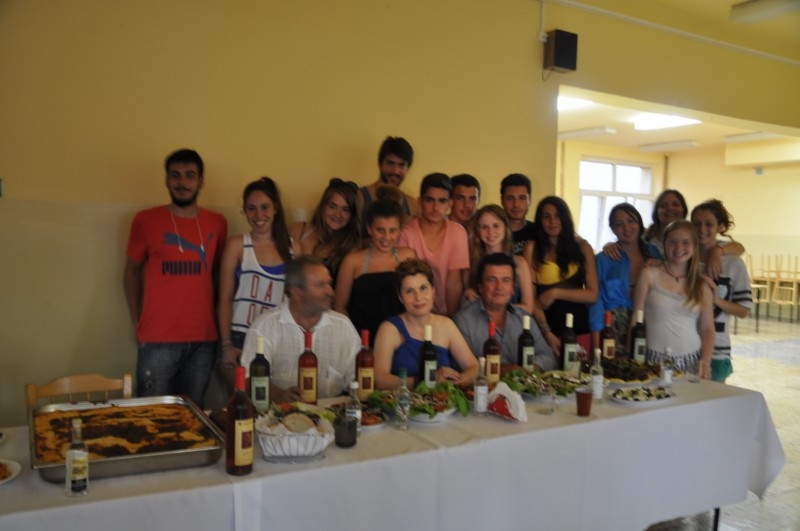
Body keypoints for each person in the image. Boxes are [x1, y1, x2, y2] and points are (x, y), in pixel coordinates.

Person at [123, 148, 228, 407]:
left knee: (193, 415)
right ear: (166, 180)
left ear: (201, 181)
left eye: (190, 175)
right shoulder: (145, 220)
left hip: (204, 340)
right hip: (158, 340)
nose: (182, 182)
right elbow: (131, 271)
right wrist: (137, 321)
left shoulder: (218, 223)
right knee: (152, 415)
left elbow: (217, 274)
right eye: (175, 175)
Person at [240, 256, 359, 402]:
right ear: (296, 292)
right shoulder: (266, 326)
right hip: (278, 413)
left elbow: (357, 378)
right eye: (320, 285)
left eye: (329, 283)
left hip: (332, 413)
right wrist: (278, 394)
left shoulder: (343, 327)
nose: (330, 292)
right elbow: (248, 379)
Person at [218, 177, 301, 372]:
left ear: (275, 208)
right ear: (245, 211)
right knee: (244, 391)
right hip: (241, 335)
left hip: (279, 335)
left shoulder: (294, 248)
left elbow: (298, 299)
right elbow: (224, 298)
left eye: (265, 207)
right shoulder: (237, 245)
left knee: (279, 391)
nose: (258, 215)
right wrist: (227, 345)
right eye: (251, 208)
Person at [373, 259, 478, 390]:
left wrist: (452, 384)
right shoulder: (389, 329)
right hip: (403, 401)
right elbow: (379, 380)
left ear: (433, 291)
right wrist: (426, 381)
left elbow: (474, 368)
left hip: (442, 399)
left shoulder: (446, 325)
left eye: (423, 288)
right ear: (400, 297)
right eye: (409, 291)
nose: (418, 297)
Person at [630, 220, 715, 377]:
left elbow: (708, 329)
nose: (678, 248)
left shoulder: (701, 285)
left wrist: (705, 362)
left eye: (685, 242)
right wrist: (632, 358)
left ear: (694, 246)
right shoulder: (649, 275)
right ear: (664, 245)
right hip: (653, 360)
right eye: (672, 242)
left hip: (691, 361)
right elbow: (636, 318)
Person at [603, 189, 743, 279]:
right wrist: (610, 245)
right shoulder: (646, 237)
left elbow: (739, 247)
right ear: (656, 212)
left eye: (675, 204)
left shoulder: (692, 235)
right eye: (663, 205)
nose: (670, 209)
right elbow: (627, 244)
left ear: (684, 210)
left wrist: (718, 251)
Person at [334, 195, 417, 345]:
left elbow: (416, 299)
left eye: (393, 230)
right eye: (380, 230)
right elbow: (339, 306)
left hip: (401, 339)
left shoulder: (408, 256)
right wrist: (355, 340)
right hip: (361, 341)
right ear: (369, 229)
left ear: (400, 230)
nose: (386, 237)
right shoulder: (352, 261)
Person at [454, 253, 557, 372]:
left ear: (513, 289)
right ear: (480, 287)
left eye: (506, 280)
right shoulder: (463, 321)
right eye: (492, 280)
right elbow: (459, 367)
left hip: (523, 383)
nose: (499, 287)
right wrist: (503, 370)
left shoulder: (523, 318)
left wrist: (526, 369)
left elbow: (548, 357)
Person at [522, 196, 598, 354]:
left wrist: (555, 293)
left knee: (579, 369)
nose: (552, 221)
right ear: (540, 220)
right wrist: (547, 333)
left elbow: (592, 295)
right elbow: (532, 299)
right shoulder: (532, 249)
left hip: (579, 325)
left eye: (558, 216)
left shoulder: (582, 247)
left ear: (565, 218)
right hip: (546, 328)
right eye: (546, 216)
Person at [691, 200, 752, 382]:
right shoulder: (683, 257)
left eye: (709, 224)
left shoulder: (734, 264)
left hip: (717, 351)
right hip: (683, 348)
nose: (702, 229)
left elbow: (743, 311)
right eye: (697, 224)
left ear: (720, 227)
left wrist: (717, 301)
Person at [588, 203, 657, 356]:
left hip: (650, 328)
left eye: (631, 221)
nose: (626, 228)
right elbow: (595, 304)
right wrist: (596, 347)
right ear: (612, 229)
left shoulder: (655, 254)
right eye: (619, 224)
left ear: (639, 223)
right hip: (611, 333)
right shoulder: (603, 259)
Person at [398, 173, 470, 316]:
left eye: (442, 201)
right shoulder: (405, 233)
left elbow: (453, 283)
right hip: (412, 313)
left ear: (450, 204)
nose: (435, 207)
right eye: (429, 200)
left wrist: (450, 319)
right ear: (420, 202)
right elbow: (405, 282)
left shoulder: (458, 232)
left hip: (445, 314)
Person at [463, 205, 534, 315]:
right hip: (478, 322)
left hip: (512, 322)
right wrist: (467, 293)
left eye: (496, 226)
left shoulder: (520, 263)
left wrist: (497, 308)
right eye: (484, 227)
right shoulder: (470, 263)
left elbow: (528, 307)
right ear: (478, 231)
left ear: (506, 227)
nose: (490, 232)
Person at [288, 178, 361, 284]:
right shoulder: (299, 230)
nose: (338, 214)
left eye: (345, 210)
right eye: (332, 206)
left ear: (352, 215)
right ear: (323, 207)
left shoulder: (353, 247)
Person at [357, 137, 418, 231]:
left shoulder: (412, 204)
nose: (395, 171)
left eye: (401, 165)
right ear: (379, 164)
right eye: (390, 163)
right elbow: (349, 237)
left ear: (408, 169)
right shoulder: (360, 197)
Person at [500, 173, 537, 256]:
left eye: (522, 198)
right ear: (502, 200)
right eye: (510, 198)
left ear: (530, 200)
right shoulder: (492, 233)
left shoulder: (538, 232)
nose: (516, 204)